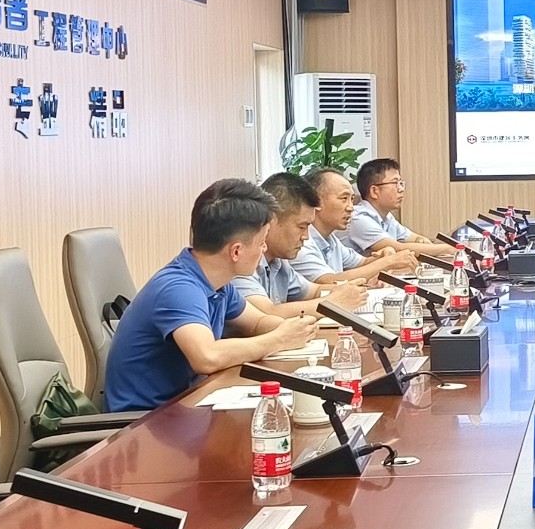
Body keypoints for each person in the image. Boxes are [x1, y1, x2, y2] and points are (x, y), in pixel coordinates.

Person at [103, 179, 320, 412]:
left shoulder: (217, 283)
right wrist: (279, 339)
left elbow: (257, 322)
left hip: (187, 405)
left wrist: (294, 331)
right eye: (261, 242)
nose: (264, 249)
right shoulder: (179, 288)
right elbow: (206, 357)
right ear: (236, 251)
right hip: (145, 421)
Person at [234, 172, 366, 315]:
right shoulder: (242, 259)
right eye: (302, 227)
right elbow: (266, 313)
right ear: (271, 220)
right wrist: (334, 302)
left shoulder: (278, 262)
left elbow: (314, 291)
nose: (306, 236)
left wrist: (347, 290)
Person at [293, 167, 414, 287]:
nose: (351, 207)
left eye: (351, 199)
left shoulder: (331, 240)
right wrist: (388, 262)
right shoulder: (301, 242)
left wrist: (384, 255)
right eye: (344, 198)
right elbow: (328, 281)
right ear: (316, 201)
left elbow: (363, 263)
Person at [343, 158, 453, 259]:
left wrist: (421, 241)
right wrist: (450, 249)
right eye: (395, 183)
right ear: (374, 191)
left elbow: (414, 238)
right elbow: (398, 248)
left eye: (401, 183)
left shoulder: (387, 217)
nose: (401, 189)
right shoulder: (359, 218)